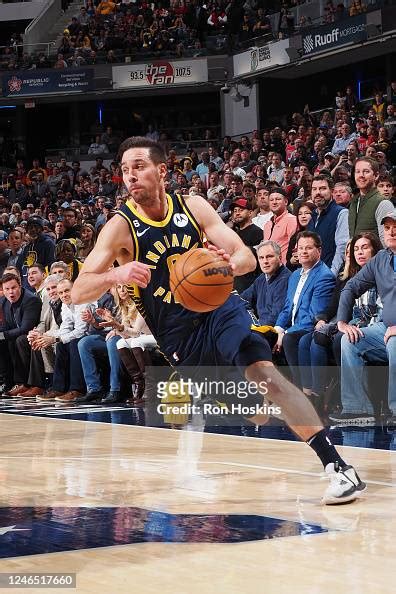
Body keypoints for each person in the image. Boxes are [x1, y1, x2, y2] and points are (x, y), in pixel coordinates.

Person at [71, 136, 366, 505]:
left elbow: (245, 257)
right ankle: (274, 404)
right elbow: (78, 290)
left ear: (162, 170)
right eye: (125, 170)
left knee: (264, 373)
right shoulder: (120, 227)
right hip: (178, 335)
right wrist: (116, 275)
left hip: (219, 309)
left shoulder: (192, 206)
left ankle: (338, 468)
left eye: (139, 166)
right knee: (246, 409)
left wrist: (225, 264)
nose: (131, 176)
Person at [332, 211, 396, 426]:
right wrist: (342, 322)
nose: (392, 231)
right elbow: (350, 287)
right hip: (384, 328)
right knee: (350, 341)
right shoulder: (381, 258)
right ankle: (357, 409)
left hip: (393, 333)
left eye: (395, 226)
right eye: (387, 228)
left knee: (395, 342)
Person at [349, 158, 393, 245]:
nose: (361, 175)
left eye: (366, 171)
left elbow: (387, 243)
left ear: (376, 175)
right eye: (357, 171)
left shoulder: (383, 203)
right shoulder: (353, 202)